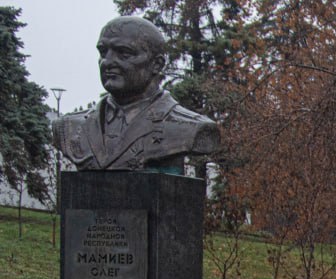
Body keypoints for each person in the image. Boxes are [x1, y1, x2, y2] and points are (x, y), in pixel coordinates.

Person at [52, 16, 220, 172]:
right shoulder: (69, 127)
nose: (108, 62)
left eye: (124, 53)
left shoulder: (190, 128)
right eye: (103, 52)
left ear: (156, 64)